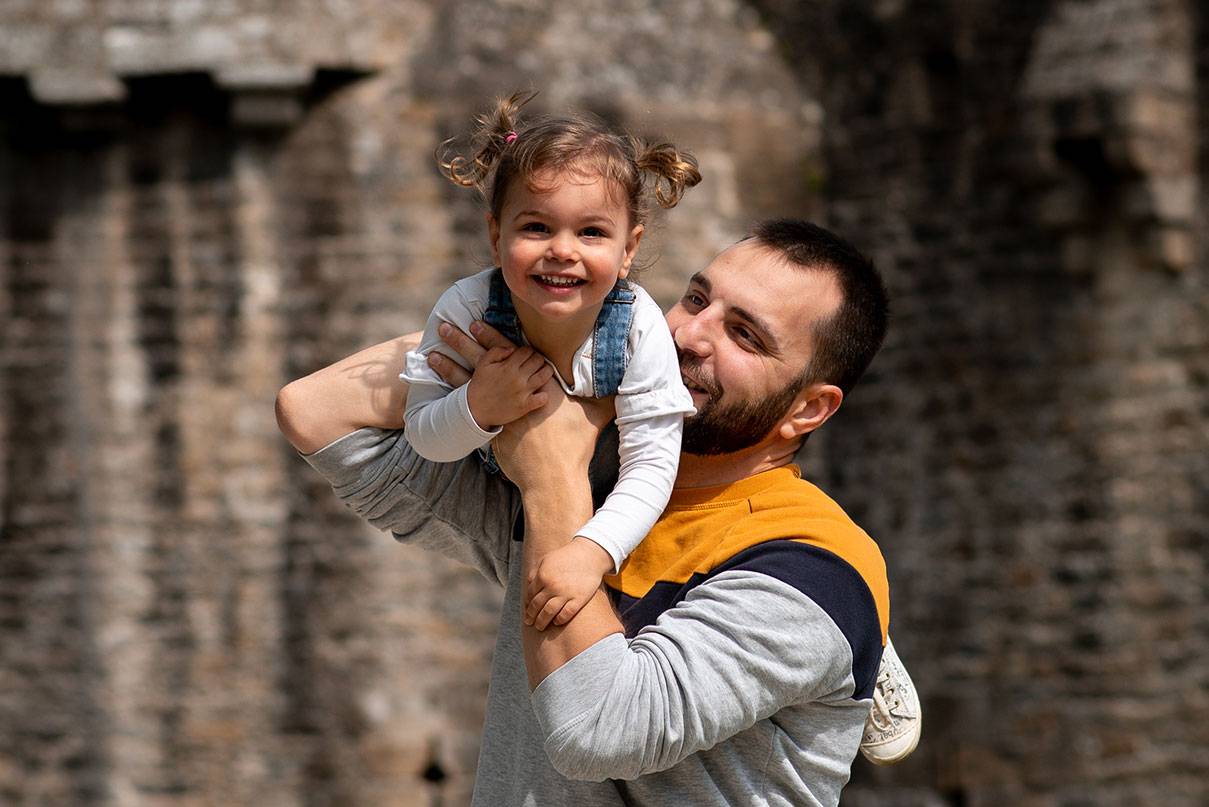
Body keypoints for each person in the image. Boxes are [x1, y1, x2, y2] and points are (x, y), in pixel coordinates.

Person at [276, 219, 920, 806]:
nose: (687, 334)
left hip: (793, 583)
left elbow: (598, 730)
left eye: (744, 335)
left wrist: (551, 473)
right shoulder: (596, 471)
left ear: (808, 409)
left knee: (841, 610)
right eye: (696, 299)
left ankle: (861, 644)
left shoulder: (812, 573)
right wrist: (543, 353)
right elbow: (318, 411)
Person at [400, 92, 701, 625]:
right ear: (497, 237)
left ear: (628, 250)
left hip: (609, 503)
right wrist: (479, 405)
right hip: (499, 497)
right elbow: (423, 435)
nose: (562, 249)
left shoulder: (638, 327)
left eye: (591, 232)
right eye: (537, 227)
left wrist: (594, 550)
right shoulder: (467, 307)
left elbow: (651, 466)